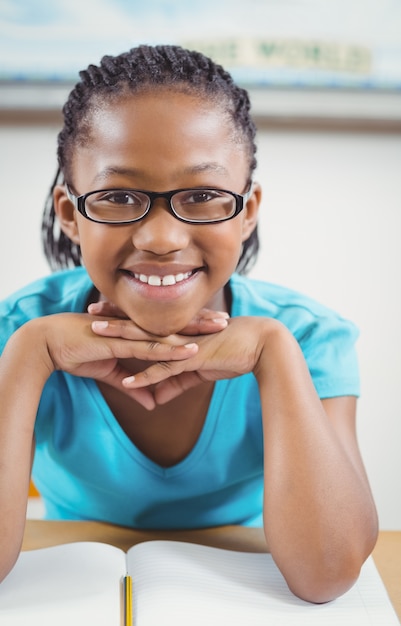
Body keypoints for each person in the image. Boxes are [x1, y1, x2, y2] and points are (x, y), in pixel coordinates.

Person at [0, 44, 378, 601]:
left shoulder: (309, 338)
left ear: (246, 212)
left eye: (202, 195)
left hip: (243, 579)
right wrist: (30, 354)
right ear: (70, 214)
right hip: (75, 576)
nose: (160, 239)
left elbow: (326, 573)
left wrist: (275, 356)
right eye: (119, 196)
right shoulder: (20, 328)